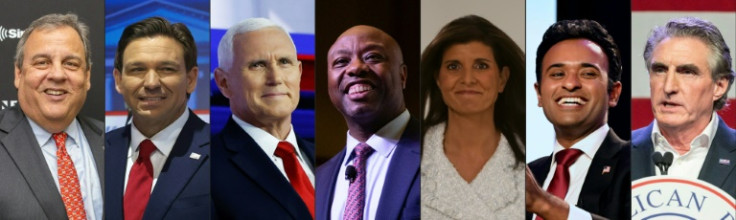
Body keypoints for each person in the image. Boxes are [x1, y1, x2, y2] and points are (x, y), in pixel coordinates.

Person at [419, 15, 525, 218]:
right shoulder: (410, 151)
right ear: (438, 79)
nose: (467, 79)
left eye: (481, 66)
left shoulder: (532, 156)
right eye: (453, 67)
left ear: (502, 78)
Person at [0, 13, 103, 220]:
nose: (57, 74)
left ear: (87, 76)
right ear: (19, 74)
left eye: (71, 64)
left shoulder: (112, 141)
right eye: (42, 62)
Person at [105, 17, 209, 220]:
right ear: (118, 80)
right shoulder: (98, 151)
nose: (151, 82)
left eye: (166, 69)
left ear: (190, 79)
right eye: (138, 69)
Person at [211, 18, 315, 219]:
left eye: (284, 62)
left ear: (299, 73)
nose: (276, 78)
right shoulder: (204, 170)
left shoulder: (329, 165)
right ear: (224, 83)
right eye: (257, 65)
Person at [526, 19, 630, 220]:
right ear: (539, 94)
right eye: (557, 74)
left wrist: (542, 203)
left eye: (588, 73)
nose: (571, 84)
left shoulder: (637, 164)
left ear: (614, 93)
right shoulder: (530, 176)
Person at [315, 25, 420, 220]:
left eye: (372, 57)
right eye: (341, 61)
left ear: (403, 75)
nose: (355, 68)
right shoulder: (318, 179)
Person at [631, 17, 736, 198]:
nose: (668, 87)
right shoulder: (620, 155)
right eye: (660, 70)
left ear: (719, 86)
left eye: (687, 72)